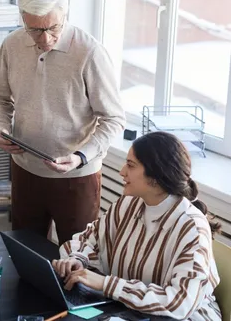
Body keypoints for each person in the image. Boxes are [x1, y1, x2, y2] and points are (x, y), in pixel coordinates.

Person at [0, 0, 125, 244]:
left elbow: (114, 118)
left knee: (76, 259)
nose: (46, 39)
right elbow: (1, 100)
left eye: (53, 28)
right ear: (23, 18)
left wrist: (80, 157)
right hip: (24, 170)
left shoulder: (90, 52)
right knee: (25, 251)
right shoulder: (11, 45)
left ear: (65, 15)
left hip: (77, 176)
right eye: (35, 30)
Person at [53, 131, 221, 320]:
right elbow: (90, 238)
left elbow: (179, 303)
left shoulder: (192, 228)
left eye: (131, 165)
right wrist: (78, 258)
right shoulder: (129, 204)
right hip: (130, 309)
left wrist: (107, 284)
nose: (122, 171)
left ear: (156, 176)